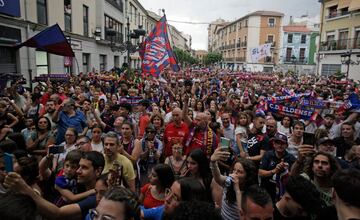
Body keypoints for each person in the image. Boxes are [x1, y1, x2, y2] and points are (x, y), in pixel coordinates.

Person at [4, 151, 105, 220]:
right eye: (78, 167)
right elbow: (46, 173)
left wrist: (25, 188)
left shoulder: (96, 198)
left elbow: (58, 214)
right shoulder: (75, 182)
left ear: (98, 171)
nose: (78, 171)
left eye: (84, 168)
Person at [210, 148, 258, 220]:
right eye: (234, 170)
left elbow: (242, 212)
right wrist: (213, 162)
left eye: (240, 172)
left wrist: (237, 190)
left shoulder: (252, 193)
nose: (235, 173)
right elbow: (218, 178)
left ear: (248, 176)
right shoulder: (229, 182)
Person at [141, 177, 207, 220]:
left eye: (175, 198)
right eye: (169, 192)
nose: (167, 199)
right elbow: (141, 213)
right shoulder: (163, 210)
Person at [259, 132, 296, 202]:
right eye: (277, 143)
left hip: (283, 193)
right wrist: (274, 171)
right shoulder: (268, 155)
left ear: (287, 145)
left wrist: (285, 172)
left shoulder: (291, 158)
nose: (280, 145)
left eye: (282, 143)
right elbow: (260, 173)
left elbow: (294, 177)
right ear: (273, 144)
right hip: (266, 191)